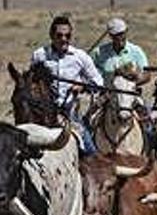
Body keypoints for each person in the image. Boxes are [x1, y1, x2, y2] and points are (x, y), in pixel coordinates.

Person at [31, 15, 104, 156]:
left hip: (70, 115)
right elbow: (32, 82)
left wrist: (83, 87)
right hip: (43, 115)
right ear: (51, 35)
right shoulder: (39, 55)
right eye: (59, 35)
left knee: (91, 154)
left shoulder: (80, 57)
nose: (63, 39)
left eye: (67, 35)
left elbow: (98, 83)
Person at [90, 17, 150, 83]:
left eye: (121, 34)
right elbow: (88, 72)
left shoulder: (136, 51)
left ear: (126, 31)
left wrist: (133, 83)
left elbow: (146, 75)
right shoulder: (98, 52)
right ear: (110, 36)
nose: (119, 38)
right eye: (116, 35)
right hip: (105, 91)